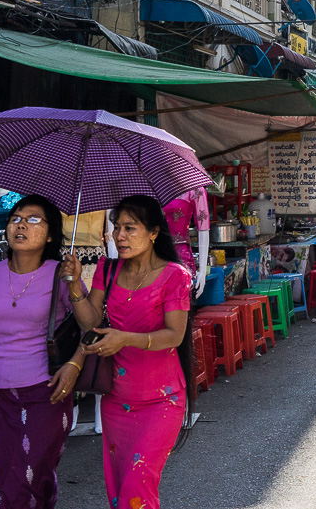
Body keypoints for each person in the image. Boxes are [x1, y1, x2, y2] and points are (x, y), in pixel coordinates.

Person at [63, 195, 195, 509]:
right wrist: (73, 287)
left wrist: (125, 339)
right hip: (116, 400)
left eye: (130, 228)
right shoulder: (107, 271)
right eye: (116, 227)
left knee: (137, 487)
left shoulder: (175, 275)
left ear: (153, 233)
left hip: (161, 400)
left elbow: (174, 336)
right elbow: (91, 322)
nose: (119, 236)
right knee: (121, 490)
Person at [0, 195, 85, 509]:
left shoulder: (61, 273)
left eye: (33, 219)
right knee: (3, 478)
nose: (21, 225)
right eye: (16, 218)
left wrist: (74, 364)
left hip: (48, 393)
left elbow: (89, 327)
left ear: (51, 235)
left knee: (29, 477)